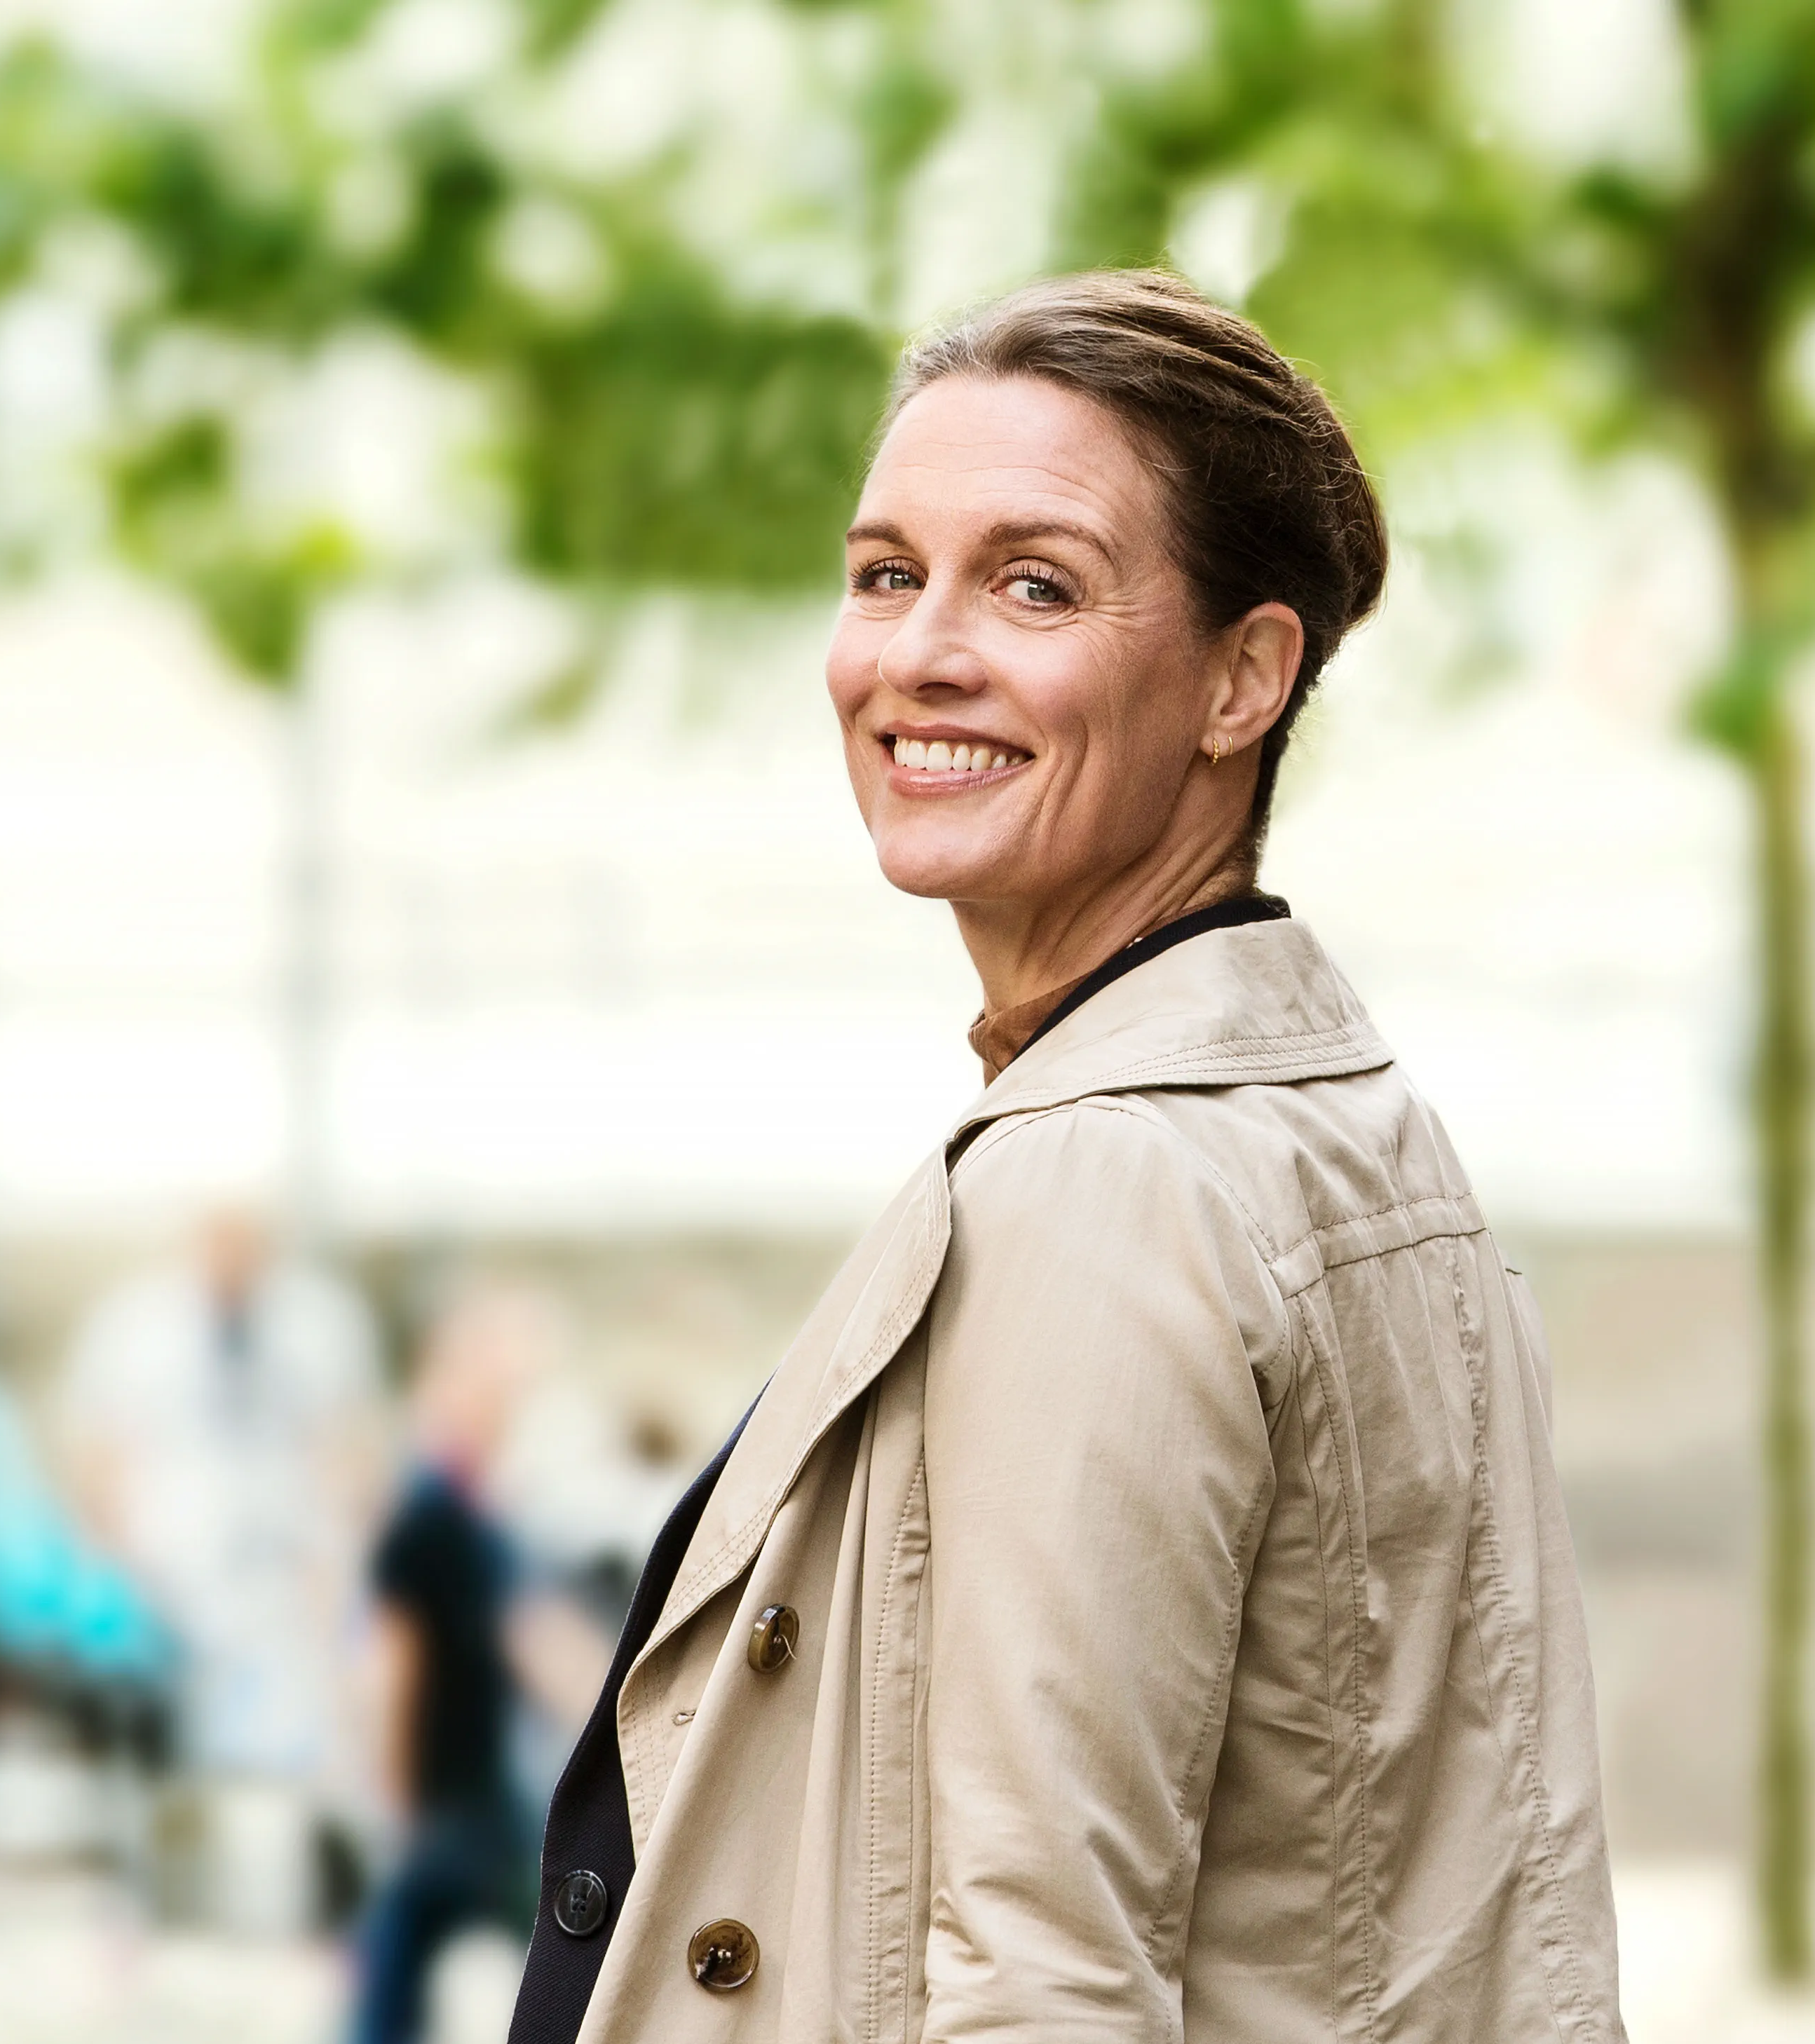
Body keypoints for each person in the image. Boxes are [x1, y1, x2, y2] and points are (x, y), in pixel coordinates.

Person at [508, 270, 1623, 2044]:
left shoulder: (1106, 1183)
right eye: (889, 573)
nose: (918, 653)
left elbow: (1043, 1967)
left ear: (1243, 677)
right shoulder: (1344, 1127)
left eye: (1034, 584)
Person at [59, 1206, 386, 1932]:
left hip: (287, 1579)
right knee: (177, 1765)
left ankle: (298, 1910)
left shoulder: (320, 1326)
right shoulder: (135, 1328)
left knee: (297, 1762)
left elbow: (348, 1446)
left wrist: (336, 1558)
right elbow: (96, 1452)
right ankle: (169, 1909)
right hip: (170, 1580)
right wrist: (127, 1566)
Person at [352, 1290, 546, 2044]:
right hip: (450, 1805)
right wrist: (396, 1799)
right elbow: (393, 1667)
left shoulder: (473, 1510)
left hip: (474, 1797)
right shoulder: (431, 1511)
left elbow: (530, 1632)